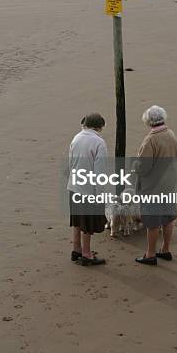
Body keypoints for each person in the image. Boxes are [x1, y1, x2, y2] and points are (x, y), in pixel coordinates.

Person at [134, 105, 177, 266]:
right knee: (168, 217)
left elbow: (144, 167)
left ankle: (150, 254)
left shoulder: (150, 140)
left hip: (153, 185)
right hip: (169, 181)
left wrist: (135, 166)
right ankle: (165, 249)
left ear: (148, 121)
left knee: (152, 221)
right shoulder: (171, 134)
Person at [67, 113, 107, 266]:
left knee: (77, 220)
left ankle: (76, 249)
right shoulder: (99, 143)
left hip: (74, 186)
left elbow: (71, 163)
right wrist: (100, 194)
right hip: (88, 189)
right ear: (100, 126)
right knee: (88, 224)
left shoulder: (76, 138)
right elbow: (100, 172)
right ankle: (87, 254)